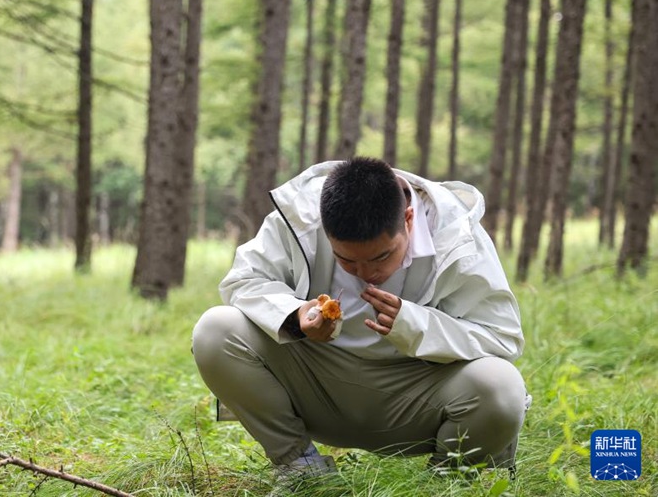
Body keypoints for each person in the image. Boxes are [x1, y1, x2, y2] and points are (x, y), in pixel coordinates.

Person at [192, 157, 528, 482]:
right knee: (216, 329)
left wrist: (414, 323)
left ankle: (444, 483)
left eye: (382, 256)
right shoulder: (302, 215)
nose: (367, 274)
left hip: (416, 393)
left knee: (501, 386)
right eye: (346, 260)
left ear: (409, 220)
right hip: (317, 383)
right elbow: (243, 281)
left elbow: (503, 337)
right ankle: (301, 469)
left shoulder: (457, 235)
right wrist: (294, 315)